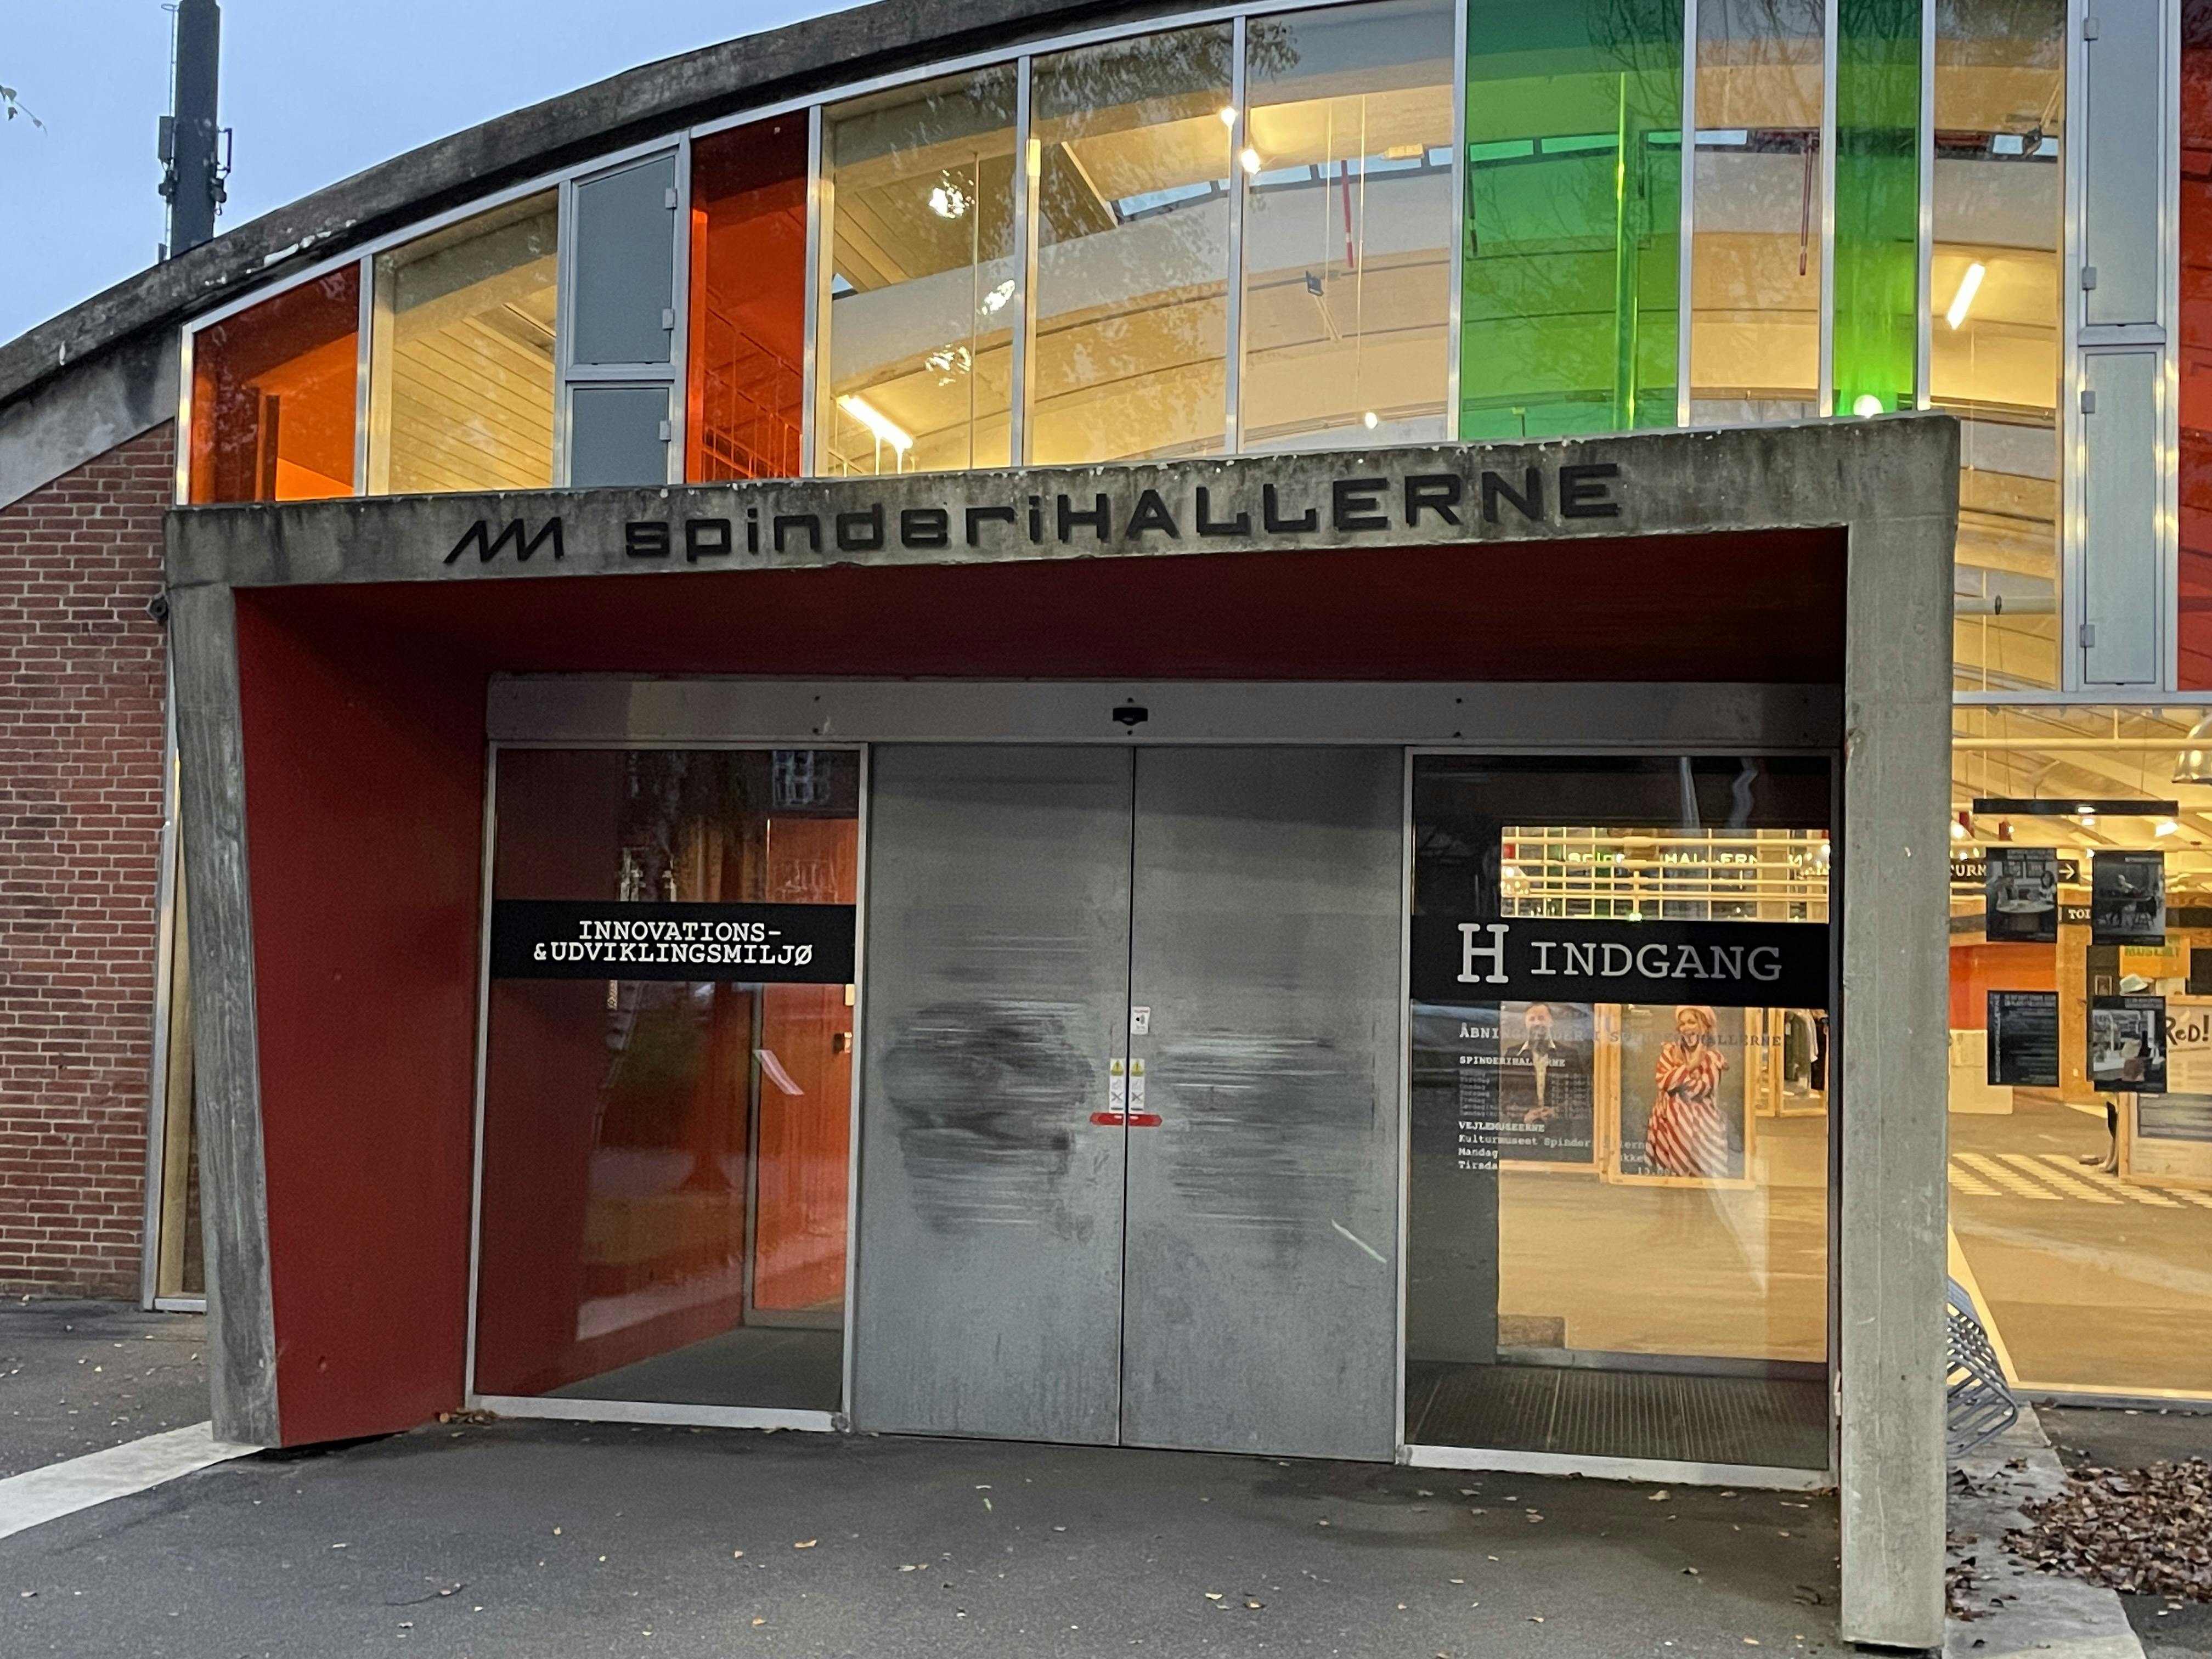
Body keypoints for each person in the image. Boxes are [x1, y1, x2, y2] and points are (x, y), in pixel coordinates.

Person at [1649, 1004, 1731, 1178]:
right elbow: (1663, 1081)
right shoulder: (1669, 1052)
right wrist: (1692, 1065)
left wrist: (1677, 1080)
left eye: (1692, 1022)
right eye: (1683, 1024)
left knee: (1700, 1178)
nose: (1686, 1028)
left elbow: (1699, 1090)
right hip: (1668, 1124)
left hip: (1702, 1126)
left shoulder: (1713, 1059)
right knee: (1669, 1182)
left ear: (1705, 1026)